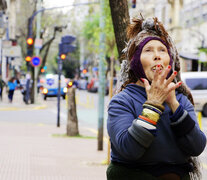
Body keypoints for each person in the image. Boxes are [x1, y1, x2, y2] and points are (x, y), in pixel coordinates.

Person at [107, 16, 206, 180]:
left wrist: (173, 104)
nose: (157, 56)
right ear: (135, 62)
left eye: (162, 50)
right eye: (148, 50)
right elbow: (129, 149)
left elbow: (197, 147)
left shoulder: (181, 100)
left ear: (170, 61)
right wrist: (153, 105)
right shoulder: (122, 101)